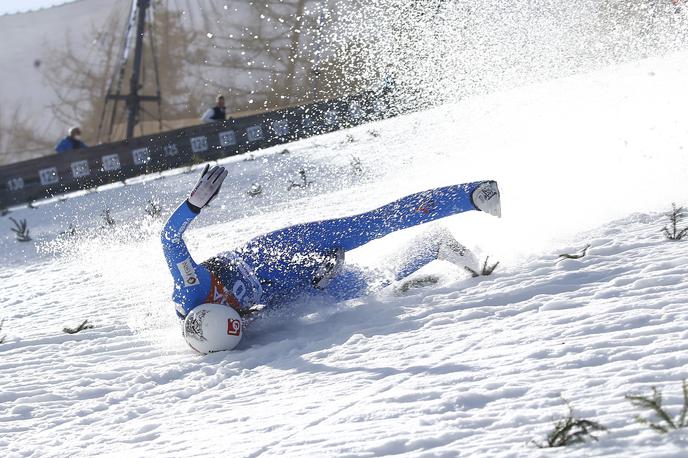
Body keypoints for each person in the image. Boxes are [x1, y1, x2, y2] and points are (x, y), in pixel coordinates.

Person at [161, 165, 501, 352]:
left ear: (209, 307)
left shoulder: (190, 287)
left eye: (232, 312)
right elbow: (275, 307)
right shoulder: (223, 339)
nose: (243, 320)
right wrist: (313, 282)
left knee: (367, 226)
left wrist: (194, 204)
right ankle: (435, 245)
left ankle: (469, 195)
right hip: (292, 279)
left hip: (275, 250)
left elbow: (170, 237)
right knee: (370, 284)